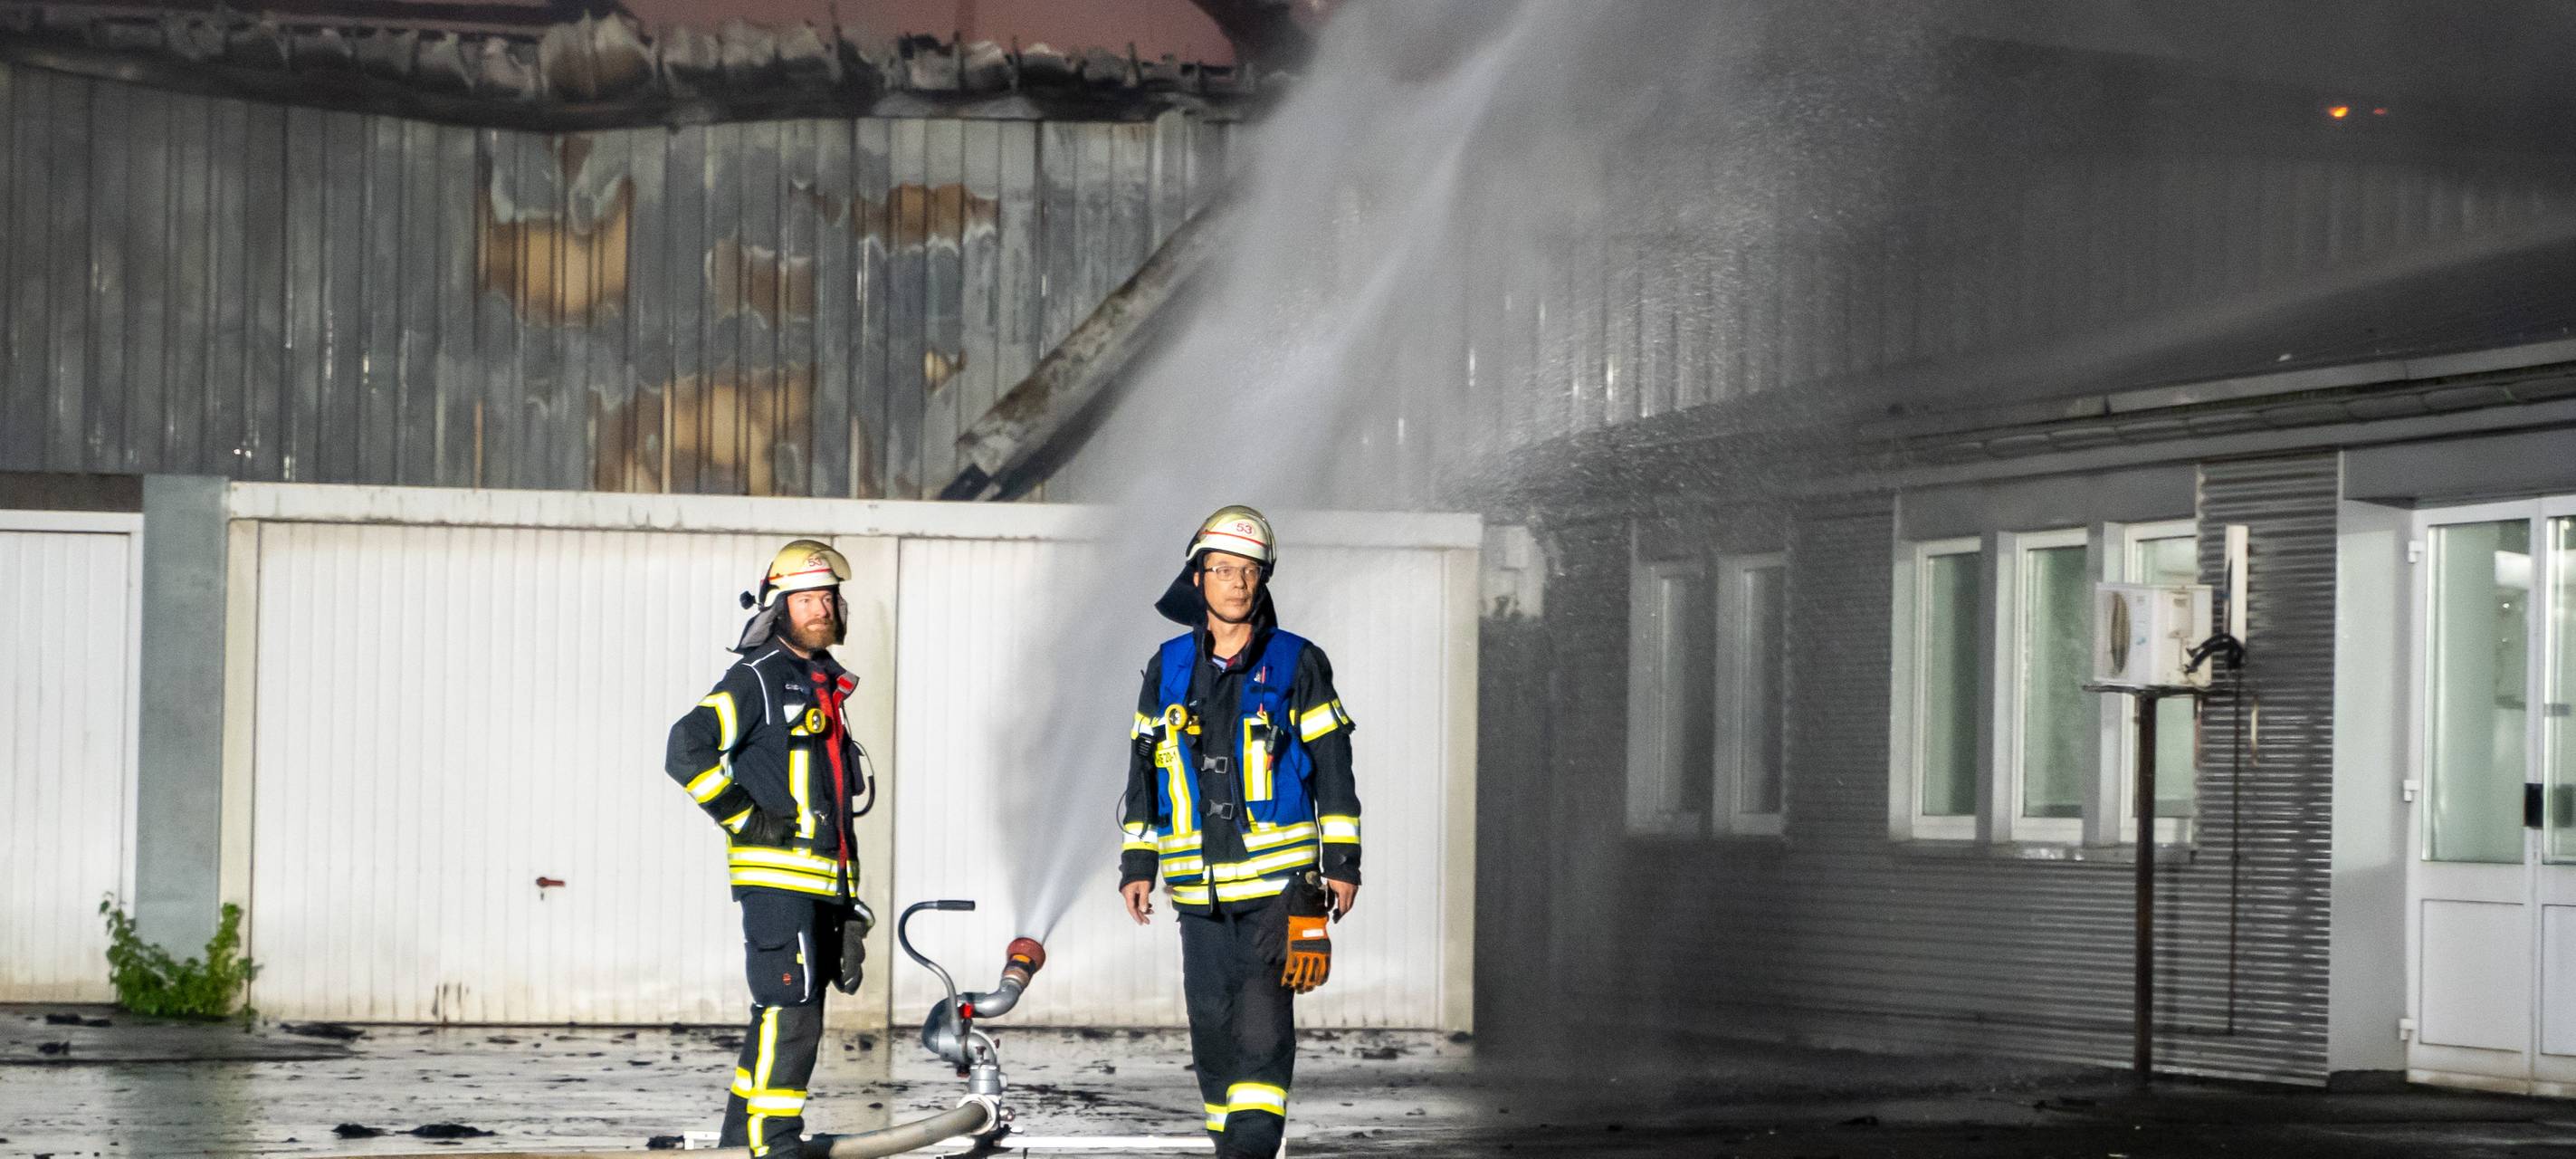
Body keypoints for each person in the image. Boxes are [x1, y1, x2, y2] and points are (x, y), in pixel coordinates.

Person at [1119, 506, 1361, 1159]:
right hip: (1197, 896)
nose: (1237, 582)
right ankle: (1232, 1144)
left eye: (1250, 571)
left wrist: (1341, 861)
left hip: (1277, 893)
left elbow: (1332, 765)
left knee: (1260, 1032)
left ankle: (1251, 1148)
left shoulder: (1297, 663)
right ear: (1197, 579)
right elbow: (1143, 773)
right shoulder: (1165, 668)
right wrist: (1138, 865)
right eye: (1223, 569)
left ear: (1264, 580)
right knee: (1211, 1030)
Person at [666, 540, 876, 1159]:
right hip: (778, 884)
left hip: (817, 888)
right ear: (778, 609)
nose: (821, 610)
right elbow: (686, 748)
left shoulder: (820, 684)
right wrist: (743, 819)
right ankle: (774, 1145)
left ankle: (741, 1142)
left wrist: (846, 905)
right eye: (807, 600)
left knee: (778, 1016)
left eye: (828, 599)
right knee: (792, 1019)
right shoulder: (757, 678)